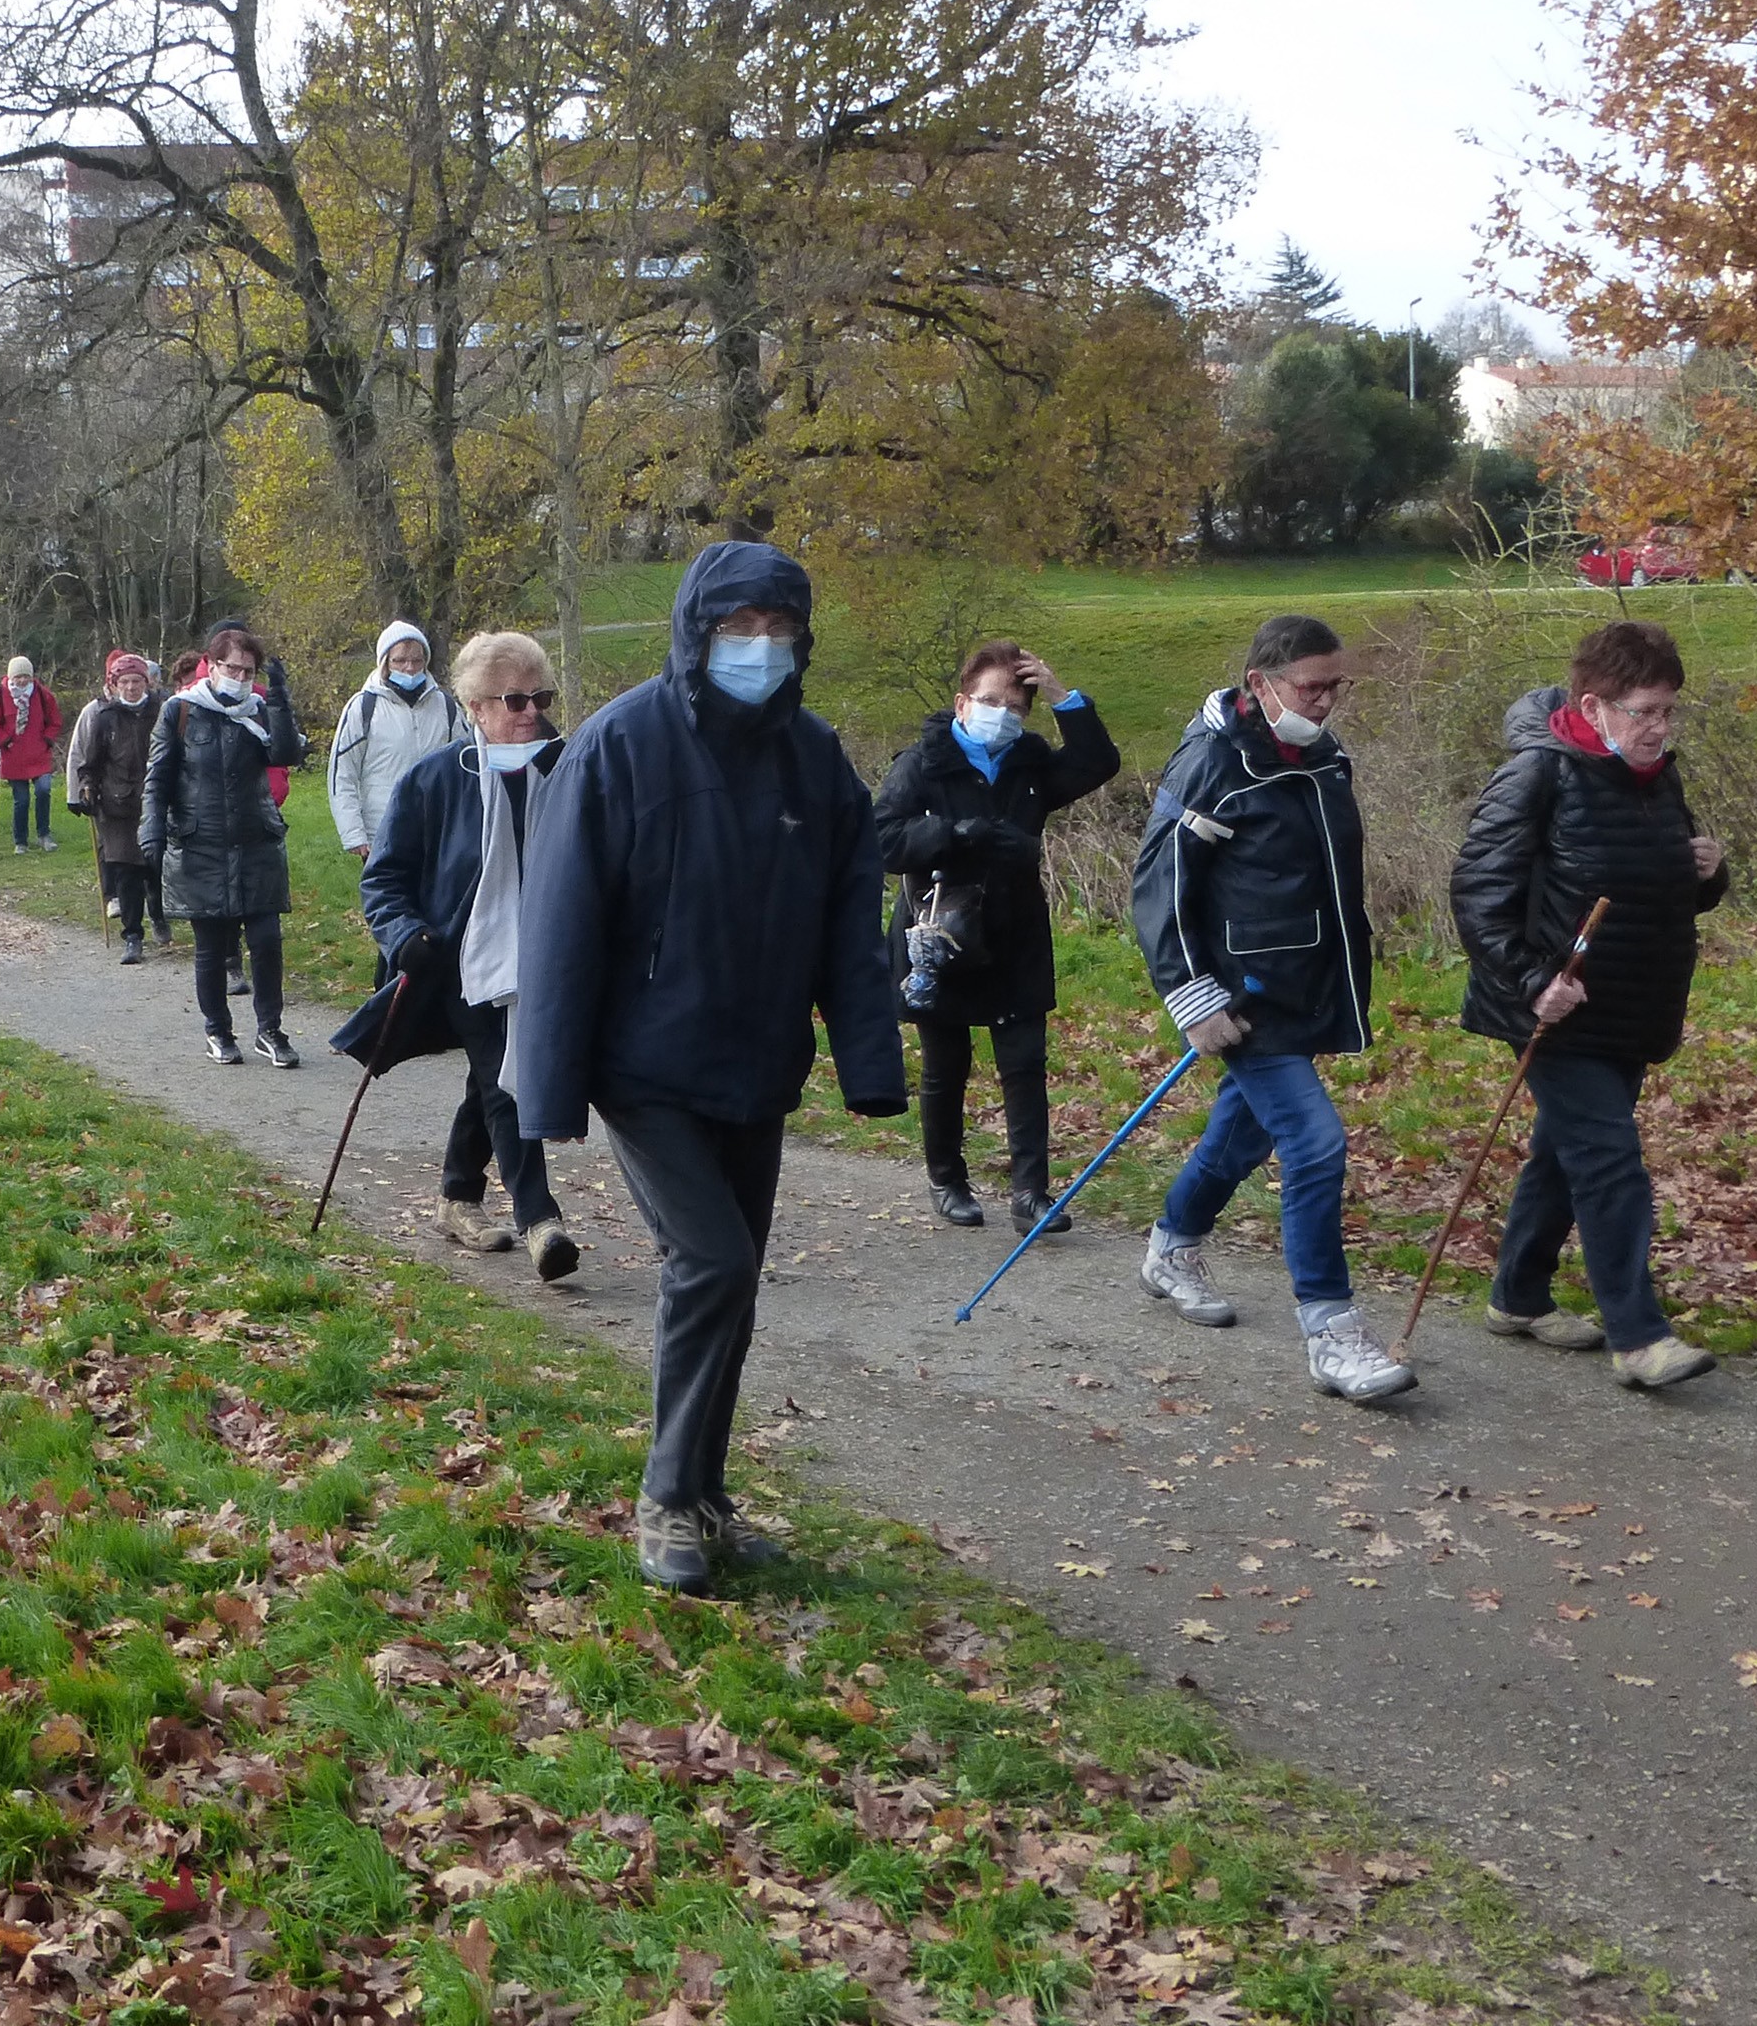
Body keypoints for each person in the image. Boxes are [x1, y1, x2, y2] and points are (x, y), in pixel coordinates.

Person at [514, 542, 905, 1591]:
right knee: (715, 1266)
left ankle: (706, 1495)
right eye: (740, 630)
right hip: (643, 1069)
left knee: (731, 1287)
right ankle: (666, 1497)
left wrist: (871, 1062)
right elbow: (561, 928)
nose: (760, 649)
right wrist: (547, 1091)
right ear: (696, 632)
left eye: (779, 631)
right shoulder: (619, 747)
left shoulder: (814, 762)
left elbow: (848, 926)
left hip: (757, 1065)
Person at [1452, 621, 1731, 1391]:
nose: (1659, 727)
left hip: (1633, 1007)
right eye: (1643, 711)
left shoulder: (1656, 778)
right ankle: (1640, 1338)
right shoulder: (1538, 775)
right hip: (1553, 1011)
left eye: (1669, 711)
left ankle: (1518, 1296)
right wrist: (1533, 980)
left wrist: (1707, 873)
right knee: (1609, 1162)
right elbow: (1478, 895)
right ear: (1593, 705)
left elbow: (1658, 892)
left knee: (1562, 1155)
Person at [1131, 614, 1405, 1394]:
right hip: (1239, 995)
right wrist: (1190, 995)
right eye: (1310, 688)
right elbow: (1159, 885)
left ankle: (1172, 1244)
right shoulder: (1213, 762)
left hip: (1301, 987)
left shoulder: (1325, 757)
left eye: (1334, 687)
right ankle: (1332, 1331)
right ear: (1261, 683)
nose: (1324, 703)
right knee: (1315, 1143)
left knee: (1243, 1133)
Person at [873, 639, 1121, 1231]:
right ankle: (947, 1179)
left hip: (1014, 935)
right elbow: (883, 840)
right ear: (962, 703)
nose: (1000, 714)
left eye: (1014, 706)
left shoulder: (1030, 763)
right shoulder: (922, 763)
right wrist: (955, 834)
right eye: (989, 701)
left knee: (1024, 1063)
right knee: (944, 1066)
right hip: (941, 937)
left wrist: (1064, 697)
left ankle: (1031, 1192)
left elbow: (1097, 763)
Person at [361, 630, 582, 1280]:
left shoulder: (568, 769)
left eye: (541, 696)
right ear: (477, 706)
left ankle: (458, 1195)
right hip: (465, 960)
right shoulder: (436, 779)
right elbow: (384, 877)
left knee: (490, 1081)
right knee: (508, 1078)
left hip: (547, 957)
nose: (531, 711)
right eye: (514, 699)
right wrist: (403, 935)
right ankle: (541, 1220)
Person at [144, 623, 307, 1065]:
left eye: (247, 669)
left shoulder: (258, 710)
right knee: (211, 949)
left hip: (256, 843)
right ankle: (218, 1029)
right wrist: (151, 828)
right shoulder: (180, 711)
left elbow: (286, 754)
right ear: (211, 666)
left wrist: (278, 699)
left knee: (267, 940)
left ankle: (270, 1029)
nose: (238, 676)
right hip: (201, 845)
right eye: (231, 667)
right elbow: (158, 777)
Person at [327, 619, 470, 864]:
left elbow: (467, 765)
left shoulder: (446, 707)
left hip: (438, 831)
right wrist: (353, 833)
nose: (409, 668)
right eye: (400, 661)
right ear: (385, 662)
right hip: (382, 833)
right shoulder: (362, 707)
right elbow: (343, 773)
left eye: (416, 660)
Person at [68, 651, 164, 962]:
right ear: (115, 684)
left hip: (156, 803)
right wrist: (86, 788)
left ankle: (158, 912)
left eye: (137, 681)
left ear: (146, 683)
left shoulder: (164, 712)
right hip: (117, 806)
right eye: (125, 682)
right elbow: (90, 764)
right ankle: (132, 936)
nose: (131, 687)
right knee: (125, 871)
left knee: (156, 866)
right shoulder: (105, 718)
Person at [0, 658, 64, 854]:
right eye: (19, 676)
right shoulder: (0, 696)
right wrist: (5, 741)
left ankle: (44, 835)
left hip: (39, 753)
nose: (22, 681)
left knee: (44, 790)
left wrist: (47, 739)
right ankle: (20, 841)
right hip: (14, 755)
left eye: (26, 677)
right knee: (21, 800)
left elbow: (55, 720)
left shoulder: (42, 694)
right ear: (11, 676)